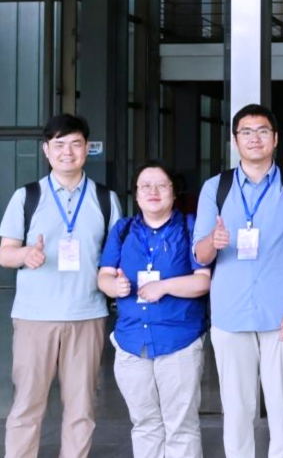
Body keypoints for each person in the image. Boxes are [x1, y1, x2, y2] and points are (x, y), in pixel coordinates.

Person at [192, 104, 283, 458]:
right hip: (230, 317)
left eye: (263, 131)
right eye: (246, 132)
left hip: (281, 317)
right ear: (235, 141)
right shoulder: (215, 188)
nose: (254, 139)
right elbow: (199, 254)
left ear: (275, 139)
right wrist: (213, 242)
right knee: (237, 412)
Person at [0, 114, 122, 458]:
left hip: (87, 315)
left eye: (75, 144)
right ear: (46, 150)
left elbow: (115, 256)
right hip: (34, 317)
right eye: (59, 144)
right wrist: (25, 254)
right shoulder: (27, 196)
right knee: (27, 406)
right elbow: (5, 253)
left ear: (87, 148)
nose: (67, 152)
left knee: (81, 410)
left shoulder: (105, 199)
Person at [97, 161, 211, 458]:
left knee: (181, 426)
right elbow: (104, 276)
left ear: (174, 192)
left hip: (179, 341)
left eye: (161, 185)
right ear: (136, 195)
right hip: (131, 342)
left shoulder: (190, 227)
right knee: (144, 423)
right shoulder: (123, 230)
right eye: (145, 186)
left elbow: (202, 282)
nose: (153, 192)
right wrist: (115, 286)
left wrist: (165, 286)